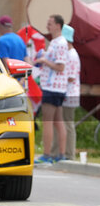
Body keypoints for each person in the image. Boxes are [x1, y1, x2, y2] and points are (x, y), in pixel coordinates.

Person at [34, 15, 69, 163]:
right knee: (57, 121)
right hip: (57, 87)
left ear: (58, 26)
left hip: (52, 87)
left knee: (47, 121)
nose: (47, 26)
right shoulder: (57, 42)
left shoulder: (59, 43)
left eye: (50, 24)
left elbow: (61, 66)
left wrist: (44, 61)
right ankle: (61, 154)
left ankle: (47, 155)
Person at [51, 24, 81, 160]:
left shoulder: (72, 55)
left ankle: (69, 154)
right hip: (66, 93)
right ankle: (58, 152)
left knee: (67, 124)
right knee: (62, 124)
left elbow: (71, 77)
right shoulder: (69, 54)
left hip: (70, 94)